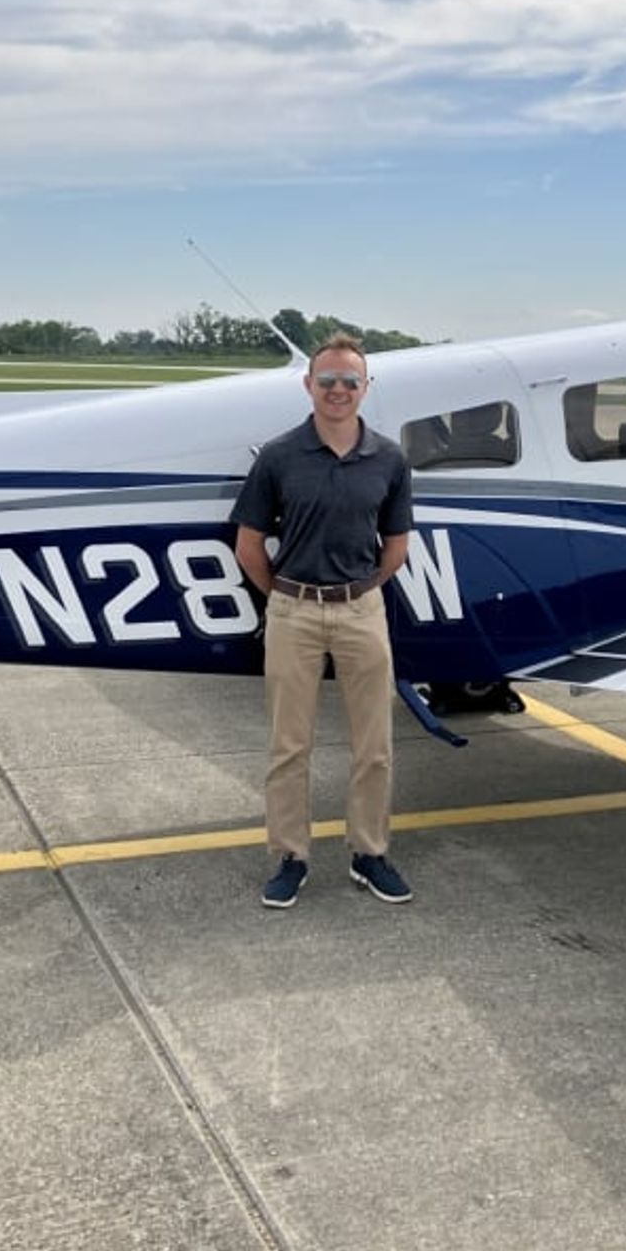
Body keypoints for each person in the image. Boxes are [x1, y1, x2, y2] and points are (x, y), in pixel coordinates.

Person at [230, 334, 415, 909]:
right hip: (293, 611)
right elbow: (249, 546)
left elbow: (397, 545)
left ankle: (369, 852)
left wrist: (360, 592)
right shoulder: (279, 456)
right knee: (289, 746)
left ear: (366, 388)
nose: (339, 390)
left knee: (375, 745)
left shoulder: (389, 458)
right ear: (309, 385)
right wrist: (286, 597)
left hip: (362, 610)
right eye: (328, 381)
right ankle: (290, 856)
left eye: (350, 381)